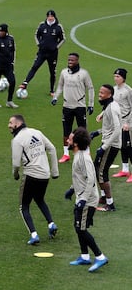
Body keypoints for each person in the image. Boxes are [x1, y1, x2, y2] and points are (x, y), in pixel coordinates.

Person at [8, 114, 59, 245]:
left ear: (17, 124)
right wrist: (54, 172)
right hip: (45, 175)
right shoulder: (37, 132)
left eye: (10, 123)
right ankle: (51, 224)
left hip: (31, 175)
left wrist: (15, 175)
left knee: (23, 206)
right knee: (39, 199)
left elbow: (16, 164)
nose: (9, 126)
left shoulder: (17, 140)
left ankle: (34, 235)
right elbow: (52, 148)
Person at [65, 127, 108, 272]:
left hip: (88, 199)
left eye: (70, 139)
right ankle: (84, 256)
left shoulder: (84, 158)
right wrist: (72, 189)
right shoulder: (78, 154)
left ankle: (100, 256)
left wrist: (83, 199)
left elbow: (91, 180)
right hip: (82, 196)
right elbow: (80, 178)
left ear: (76, 143)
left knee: (81, 229)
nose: (67, 141)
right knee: (78, 227)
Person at [51, 53, 94, 163]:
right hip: (67, 106)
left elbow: (90, 88)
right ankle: (66, 154)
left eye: (72, 60)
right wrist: (56, 97)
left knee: (82, 130)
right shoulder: (64, 72)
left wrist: (90, 104)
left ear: (77, 61)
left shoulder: (84, 73)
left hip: (80, 106)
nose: (70, 61)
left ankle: (86, 150)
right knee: (66, 130)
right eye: (69, 60)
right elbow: (60, 86)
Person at [90, 84, 121, 212]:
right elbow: (109, 127)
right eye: (99, 92)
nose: (100, 95)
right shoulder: (109, 106)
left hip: (111, 145)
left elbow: (117, 129)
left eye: (102, 93)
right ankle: (103, 197)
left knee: (101, 172)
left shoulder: (112, 108)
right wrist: (97, 132)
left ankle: (110, 203)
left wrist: (104, 147)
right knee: (96, 168)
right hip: (108, 143)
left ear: (110, 95)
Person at [20, 10, 66, 95]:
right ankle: (25, 83)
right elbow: (36, 35)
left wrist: (56, 47)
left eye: (52, 16)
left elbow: (63, 39)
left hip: (52, 54)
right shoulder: (42, 25)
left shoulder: (58, 27)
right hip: (42, 52)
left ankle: (52, 90)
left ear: (54, 17)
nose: (50, 18)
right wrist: (39, 44)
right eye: (48, 16)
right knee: (35, 66)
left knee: (52, 72)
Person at [0, 23, 18, 108]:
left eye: (2, 31)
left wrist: (12, 62)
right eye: (0, 31)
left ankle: (9, 101)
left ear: (6, 31)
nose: (0, 32)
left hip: (8, 66)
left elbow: (13, 51)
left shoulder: (11, 39)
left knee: (12, 81)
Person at [110, 68, 132, 182]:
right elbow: (112, 105)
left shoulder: (128, 90)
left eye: (118, 76)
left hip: (126, 123)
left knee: (128, 146)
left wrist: (128, 123)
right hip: (117, 122)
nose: (115, 78)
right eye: (115, 76)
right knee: (122, 146)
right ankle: (125, 170)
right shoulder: (114, 90)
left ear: (123, 78)